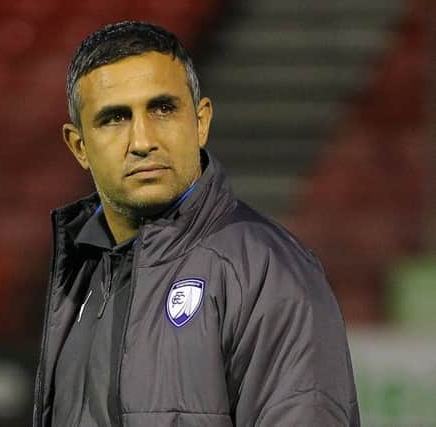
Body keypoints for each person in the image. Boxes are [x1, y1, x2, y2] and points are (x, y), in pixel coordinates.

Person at [33, 21, 360, 427]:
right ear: (79, 146)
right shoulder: (82, 275)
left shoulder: (266, 270)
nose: (142, 141)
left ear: (201, 121)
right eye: (115, 118)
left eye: (163, 109)